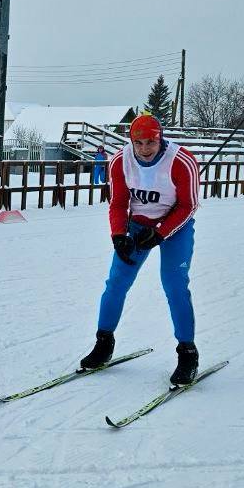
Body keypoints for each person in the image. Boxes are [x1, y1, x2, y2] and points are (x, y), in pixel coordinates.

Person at [80, 113, 203, 388]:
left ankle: (187, 353)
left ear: (160, 139)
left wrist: (160, 232)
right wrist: (118, 235)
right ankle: (103, 343)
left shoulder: (181, 161)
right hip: (137, 226)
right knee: (116, 282)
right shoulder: (120, 162)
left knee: (174, 286)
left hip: (175, 227)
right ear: (131, 142)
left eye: (151, 142)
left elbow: (188, 206)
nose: (145, 149)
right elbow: (118, 203)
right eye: (139, 143)